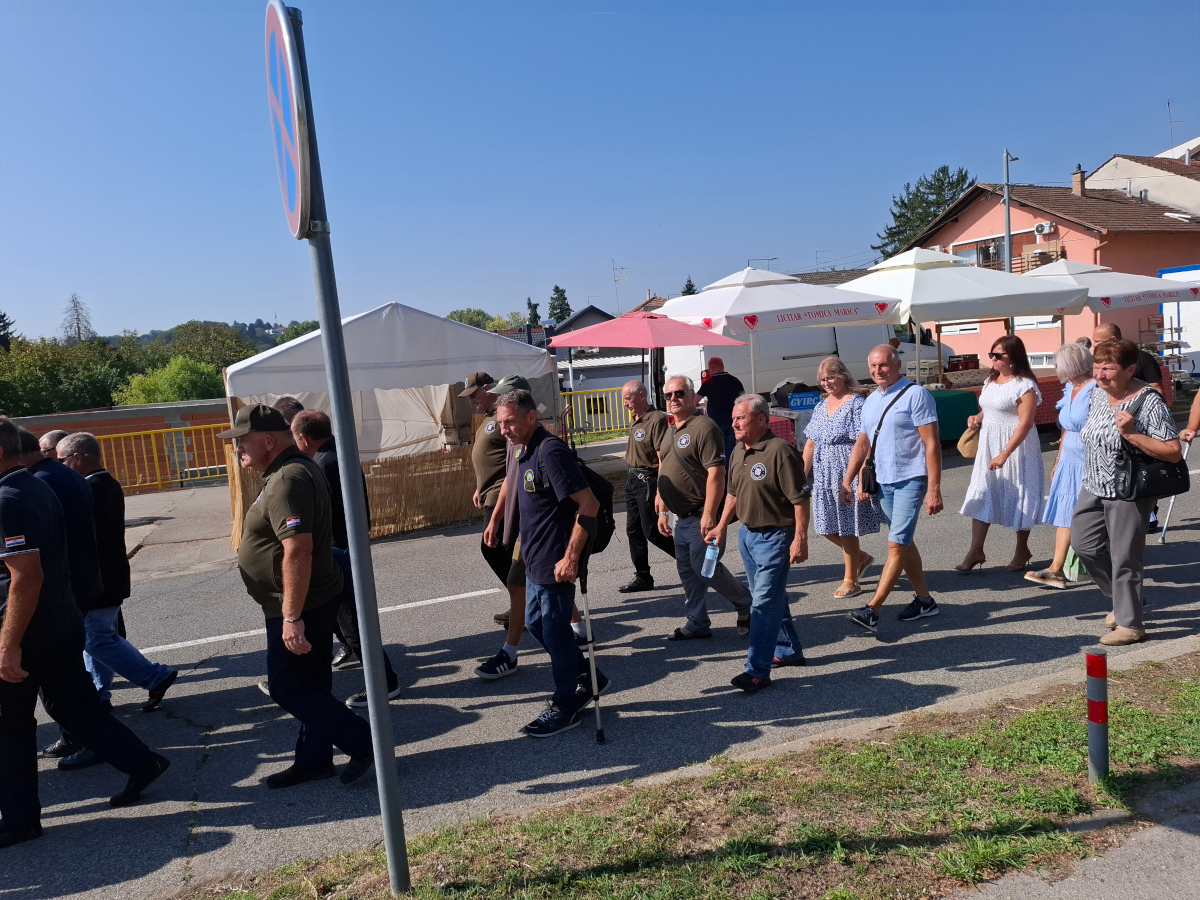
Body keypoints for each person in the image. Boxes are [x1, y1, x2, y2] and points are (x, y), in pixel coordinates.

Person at [0, 418, 170, 848]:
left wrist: (8, 645)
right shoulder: (36, 485)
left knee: (11, 726)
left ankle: (19, 820)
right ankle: (142, 762)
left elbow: (26, 577)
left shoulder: (9, 498)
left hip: (30, 628)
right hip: (59, 619)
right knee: (75, 707)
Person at [220, 403, 375, 787]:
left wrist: (291, 617)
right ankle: (313, 760)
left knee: (287, 687)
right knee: (311, 686)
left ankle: (364, 741)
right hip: (306, 598)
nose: (237, 448)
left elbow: (298, 550)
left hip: (299, 603)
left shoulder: (289, 478)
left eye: (242, 441)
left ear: (267, 441)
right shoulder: (288, 471)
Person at [55, 433, 178, 770]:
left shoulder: (93, 487)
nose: (60, 467)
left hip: (101, 579)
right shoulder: (101, 483)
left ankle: (154, 676)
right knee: (97, 636)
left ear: (79, 458)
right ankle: (100, 691)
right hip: (107, 577)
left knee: (96, 637)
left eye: (62, 460)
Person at [495, 389, 610, 738]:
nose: (504, 429)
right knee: (535, 623)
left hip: (555, 560)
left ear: (531, 417)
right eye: (500, 423)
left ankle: (565, 704)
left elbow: (589, 504)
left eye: (509, 422)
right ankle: (589, 677)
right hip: (534, 558)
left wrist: (571, 557)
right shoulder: (523, 450)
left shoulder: (551, 451)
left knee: (557, 632)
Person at [1072, 340, 1181, 646]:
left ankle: (1131, 624)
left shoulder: (1149, 401)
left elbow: (1173, 451)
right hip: (1094, 483)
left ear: (1130, 370)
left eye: (1108, 368)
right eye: (1096, 367)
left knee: (1125, 557)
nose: (1099, 374)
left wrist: (1132, 434)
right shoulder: (1097, 394)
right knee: (1084, 545)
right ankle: (1125, 600)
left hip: (1128, 489)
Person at [290, 410, 400, 706]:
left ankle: (384, 682)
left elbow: (326, 515)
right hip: (344, 550)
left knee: (353, 624)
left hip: (339, 553)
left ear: (303, 438)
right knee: (338, 621)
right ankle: (299, 679)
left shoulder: (324, 463)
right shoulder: (334, 455)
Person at [708, 395, 810, 692]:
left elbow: (800, 500)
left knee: (763, 605)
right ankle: (788, 649)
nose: (734, 423)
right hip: (748, 536)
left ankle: (757, 671)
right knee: (771, 597)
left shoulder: (780, 451)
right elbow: (733, 494)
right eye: (733, 418)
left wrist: (800, 539)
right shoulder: (739, 450)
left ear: (762, 420)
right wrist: (721, 526)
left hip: (776, 537)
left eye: (741, 418)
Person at [840, 345, 943, 632]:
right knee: (903, 541)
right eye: (873, 366)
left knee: (896, 544)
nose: (878, 371)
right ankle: (925, 601)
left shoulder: (916, 395)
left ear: (898, 365)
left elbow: (932, 443)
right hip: (883, 481)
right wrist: (849, 479)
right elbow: (863, 443)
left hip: (911, 478)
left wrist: (934, 488)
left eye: (883, 365)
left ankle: (872, 610)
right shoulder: (871, 399)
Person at [654, 375, 752, 640]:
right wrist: (663, 508)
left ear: (692, 395)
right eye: (668, 395)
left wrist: (709, 514)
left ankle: (745, 603)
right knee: (688, 572)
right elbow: (664, 468)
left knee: (705, 568)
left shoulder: (704, 427)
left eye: (679, 393)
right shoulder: (671, 430)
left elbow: (716, 474)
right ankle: (697, 622)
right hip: (681, 517)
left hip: (701, 514)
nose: (673, 399)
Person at [956, 335, 1045, 573]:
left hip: (1016, 446)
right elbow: (988, 408)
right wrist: (977, 418)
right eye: (991, 354)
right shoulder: (990, 380)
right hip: (989, 444)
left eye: (998, 355)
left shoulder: (1025, 385)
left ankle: (1021, 549)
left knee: (1020, 494)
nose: (993, 359)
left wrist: (1006, 452)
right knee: (982, 491)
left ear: (1014, 357)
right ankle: (976, 550)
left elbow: (1026, 423)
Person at [801, 356, 879, 598]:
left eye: (831, 377)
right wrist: (801, 475)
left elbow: (864, 443)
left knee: (846, 527)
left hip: (846, 471)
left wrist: (861, 478)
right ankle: (861, 557)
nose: (827, 383)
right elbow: (811, 443)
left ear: (843, 377)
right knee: (825, 525)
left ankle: (851, 580)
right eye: (823, 379)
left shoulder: (856, 404)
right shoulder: (821, 406)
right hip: (823, 475)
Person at [1026, 344, 1096, 588]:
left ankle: (1101, 565)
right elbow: (1066, 428)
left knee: (1091, 514)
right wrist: (1058, 460)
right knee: (1065, 513)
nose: (1056, 368)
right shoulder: (1070, 388)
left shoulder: (1095, 389)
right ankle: (1056, 568)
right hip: (1069, 459)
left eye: (1058, 363)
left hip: (1089, 459)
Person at [462, 372, 516, 629]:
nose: (472, 401)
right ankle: (523, 601)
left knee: (493, 547)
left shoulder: (503, 415)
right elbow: (491, 457)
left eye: (474, 395)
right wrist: (479, 487)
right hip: (490, 491)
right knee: (503, 550)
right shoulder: (489, 416)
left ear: (487, 388)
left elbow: (513, 456)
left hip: (501, 493)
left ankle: (525, 601)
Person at [617, 380, 676, 593]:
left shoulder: (656, 419)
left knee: (652, 530)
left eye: (628, 399)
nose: (625, 404)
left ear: (641, 395)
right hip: (632, 479)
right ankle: (643, 577)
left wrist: (661, 489)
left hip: (647, 480)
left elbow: (662, 457)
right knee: (633, 530)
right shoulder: (636, 419)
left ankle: (690, 560)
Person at [697, 357, 745, 458]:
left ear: (712, 368)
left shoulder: (709, 383)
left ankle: (720, 467)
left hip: (716, 422)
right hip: (732, 421)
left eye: (709, 369)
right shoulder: (734, 380)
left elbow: (695, 400)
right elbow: (743, 399)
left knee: (717, 451)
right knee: (730, 451)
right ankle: (729, 467)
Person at [1092, 324, 1162, 392]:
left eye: (1097, 341)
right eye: (1097, 368)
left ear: (1113, 339)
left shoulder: (1143, 358)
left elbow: (1156, 387)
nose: (1094, 345)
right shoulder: (1095, 359)